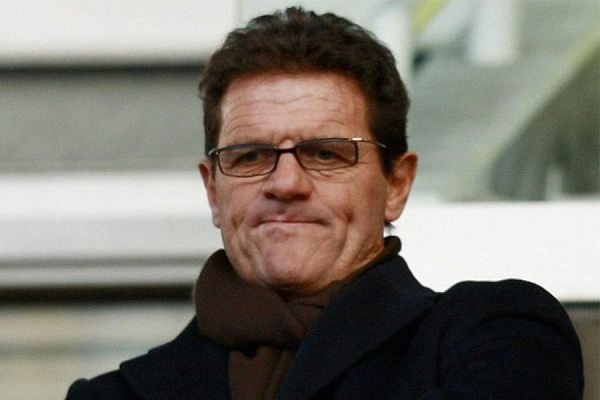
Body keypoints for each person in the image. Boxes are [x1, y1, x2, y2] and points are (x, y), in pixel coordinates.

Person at [66, 7, 583, 400]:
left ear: (396, 184)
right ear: (213, 191)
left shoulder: (495, 336)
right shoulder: (116, 396)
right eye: (250, 156)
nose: (286, 183)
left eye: (326, 153)